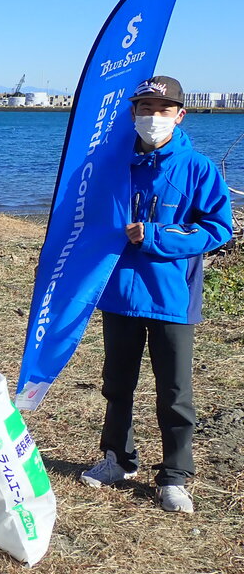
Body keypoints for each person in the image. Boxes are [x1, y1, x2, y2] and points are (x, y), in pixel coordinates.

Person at [79, 76, 233, 513]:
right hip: (119, 294)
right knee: (117, 383)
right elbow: (84, 216)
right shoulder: (112, 165)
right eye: (145, 108)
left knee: (175, 391)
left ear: (179, 115)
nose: (153, 116)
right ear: (132, 113)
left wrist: (156, 236)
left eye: (162, 109)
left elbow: (218, 228)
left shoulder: (197, 168)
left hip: (171, 297)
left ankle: (175, 476)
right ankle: (118, 458)